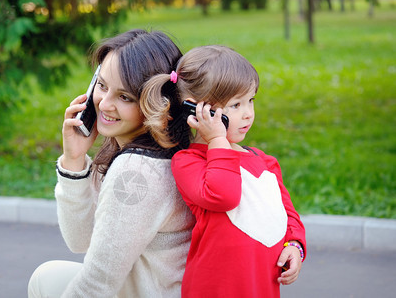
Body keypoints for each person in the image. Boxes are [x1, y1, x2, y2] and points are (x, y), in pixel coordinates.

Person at [28, 29, 195, 298]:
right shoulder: (159, 150)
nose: (104, 104)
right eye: (102, 85)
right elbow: (81, 240)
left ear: (156, 104)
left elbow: (97, 285)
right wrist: (73, 160)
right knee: (47, 276)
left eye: (124, 97)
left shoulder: (136, 172)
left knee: (48, 280)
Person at [141, 45, 307, 297]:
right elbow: (223, 195)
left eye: (250, 101)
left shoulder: (265, 163)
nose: (248, 114)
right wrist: (218, 141)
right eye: (235, 105)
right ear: (198, 110)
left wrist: (295, 246)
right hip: (214, 289)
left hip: (260, 288)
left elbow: (287, 215)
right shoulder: (189, 162)